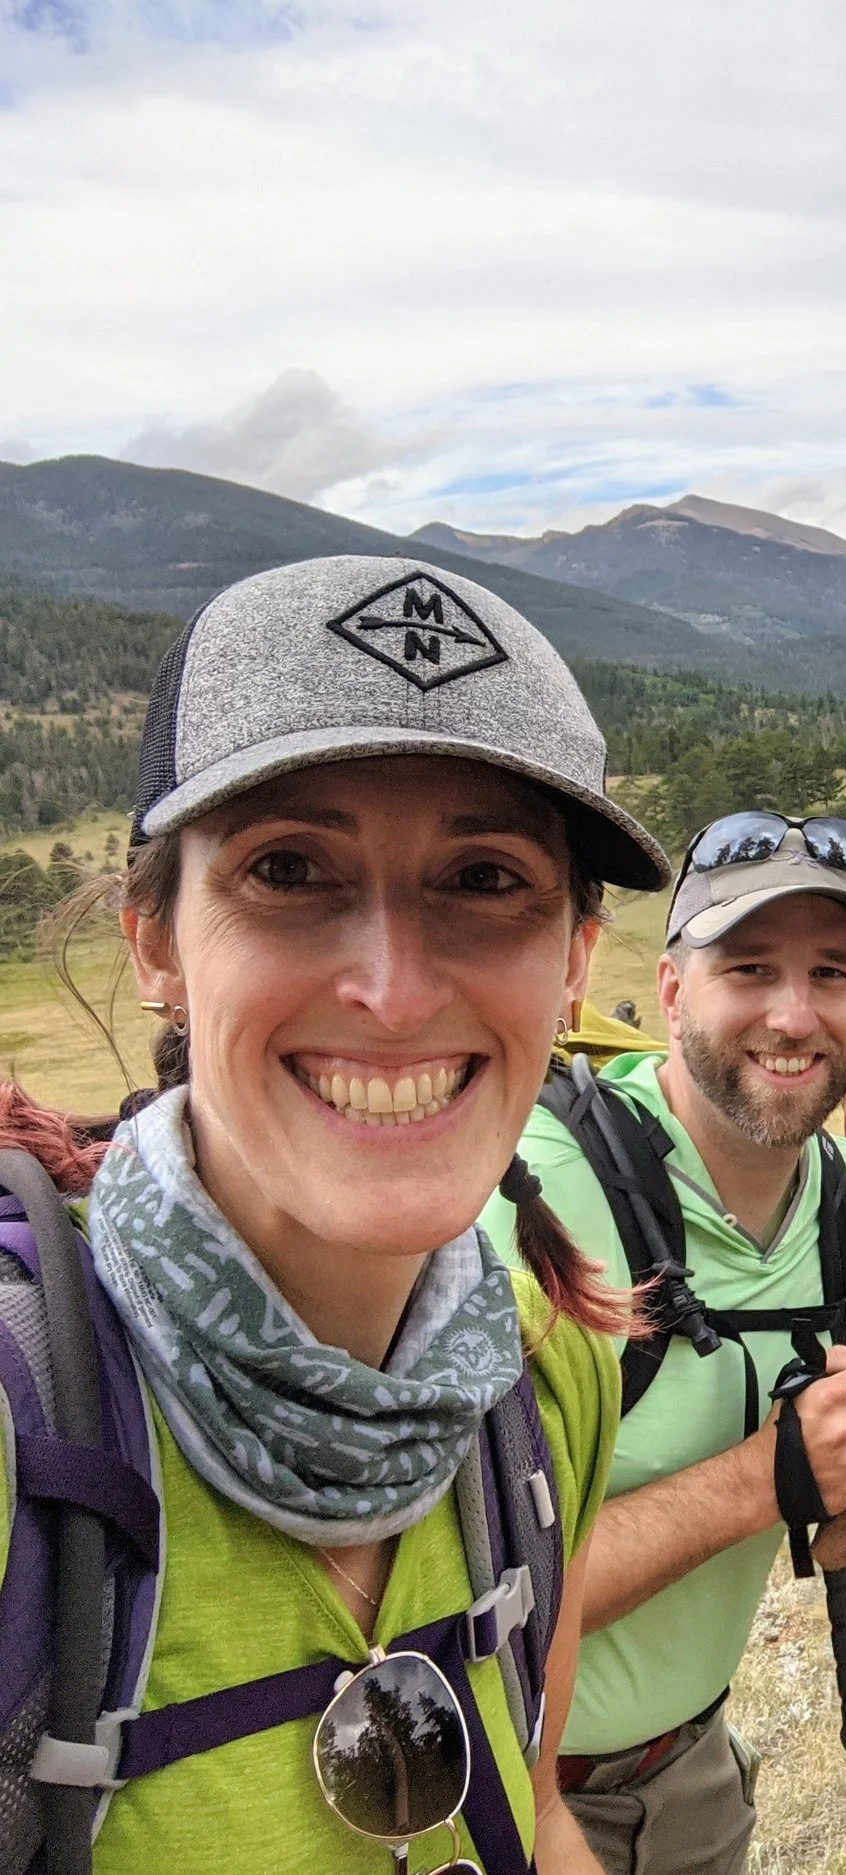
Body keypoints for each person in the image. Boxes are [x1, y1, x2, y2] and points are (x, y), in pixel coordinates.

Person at [0, 554, 672, 1872]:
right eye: (291, 865)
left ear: (576, 960)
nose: (394, 985)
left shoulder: (545, 1366)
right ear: (157, 943)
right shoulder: (31, 1420)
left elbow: (532, 1804)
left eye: (484, 880)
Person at [482, 810, 846, 1875]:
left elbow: (843, 1519)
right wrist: (768, 1475)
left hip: (692, 1779)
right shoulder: (530, 1200)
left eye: (832, 974)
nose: (792, 1016)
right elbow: (468, 1601)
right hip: (499, 1795)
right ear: (669, 990)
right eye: (748, 968)